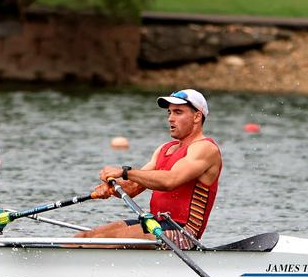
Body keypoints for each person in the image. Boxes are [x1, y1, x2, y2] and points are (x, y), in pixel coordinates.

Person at [76, 89, 222, 250]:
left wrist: (125, 172)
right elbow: (132, 187)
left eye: (178, 112)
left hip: (182, 233)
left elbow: (170, 181)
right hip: (156, 224)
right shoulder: (164, 149)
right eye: (169, 112)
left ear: (197, 116)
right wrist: (111, 188)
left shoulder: (205, 148)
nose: (170, 119)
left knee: (101, 241)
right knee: (83, 238)